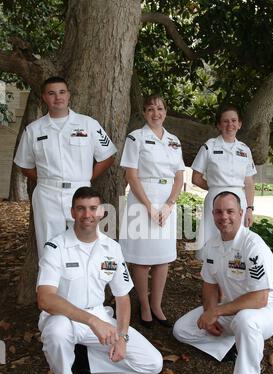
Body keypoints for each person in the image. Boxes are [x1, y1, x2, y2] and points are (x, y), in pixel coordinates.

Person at [37, 187, 163, 374]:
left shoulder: (112, 248)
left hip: (98, 315)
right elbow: (45, 300)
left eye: (93, 208)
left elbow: (123, 297)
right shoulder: (55, 246)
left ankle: (83, 358)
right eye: (81, 208)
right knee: (56, 332)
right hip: (64, 316)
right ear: (72, 212)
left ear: (102, 212)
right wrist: (93, 322)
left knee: (152, 363)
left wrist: (123, 336)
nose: (88, 214)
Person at [173, 192, 273, 374]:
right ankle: (233, 347)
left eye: (230, 211)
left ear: (241, 213)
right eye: (219, 211)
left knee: (245, 320)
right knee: (181, 330)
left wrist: (216, 311)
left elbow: (260, 298)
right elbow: (209, 285)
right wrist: (209, 312)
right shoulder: (212, 246)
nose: (224, 217)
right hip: (230, 309)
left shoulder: (253, 246)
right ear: (212, 214)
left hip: (262, 313)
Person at [14, 76, 117, 258]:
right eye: (51, 93)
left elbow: (107, 156)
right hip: (47, 195)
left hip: (81, 193)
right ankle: (52, 286)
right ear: (44, 97)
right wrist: (47, 180)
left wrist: (86, 178)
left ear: (68, 95)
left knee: (85, 246)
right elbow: (25, 166)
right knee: (49, 249)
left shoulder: (89, 124)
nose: (58, 97)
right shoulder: (34, 130)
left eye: (62, 92)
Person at [119, 94, 185, 328]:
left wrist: (168, 206)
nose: (155, 113)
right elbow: (131, 175)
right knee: (141, 259)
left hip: (167, 202)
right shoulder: (135, 138)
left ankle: (157, 304)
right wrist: (149, 207)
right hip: (141, 201)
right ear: (144, 113)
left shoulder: (174, 140)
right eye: (150, 109)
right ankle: (144, 306)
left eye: (160, 108)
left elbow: (179, 177)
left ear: (165, 111)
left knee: (162, 258)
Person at [191, 105, 256, 257]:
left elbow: (249, 183)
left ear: (239, 124)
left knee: (237, 249)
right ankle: (211, 277)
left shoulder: (244, 150)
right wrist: (216, 189)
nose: (230, 125)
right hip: (214, 201)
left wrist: (250, 209)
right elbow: (196, 178)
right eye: (225, 121)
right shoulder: (209, 146)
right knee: (211, 245)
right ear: (219, 125)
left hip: (239, 202)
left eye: (234, 121)